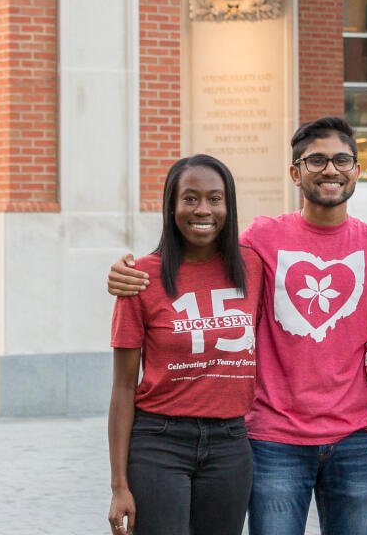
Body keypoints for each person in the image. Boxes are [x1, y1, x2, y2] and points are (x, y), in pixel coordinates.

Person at [107, 117, 367, 535]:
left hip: (357, 441)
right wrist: (132, 270)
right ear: (295, 172)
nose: (331, 169)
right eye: (317, 160)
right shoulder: (260, 238)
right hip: (274, 439)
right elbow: (203, 249)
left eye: (343, 160)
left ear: (357, 171)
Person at [107, 155, 267, 535]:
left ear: (228, 206)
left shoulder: (253, 267)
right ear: (172, 206)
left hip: (230, 443)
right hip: (159, 443)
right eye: (190, 198)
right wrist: (118, 486)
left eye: (215, 198)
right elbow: (123, 386)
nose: (203, 210)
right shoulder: (140, 277)